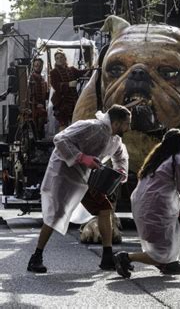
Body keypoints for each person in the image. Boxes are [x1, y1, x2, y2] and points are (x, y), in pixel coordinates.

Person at [27, 105, 131, 273]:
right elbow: (60, 139)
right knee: (55, 215)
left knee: (105, 209)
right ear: (117, 123)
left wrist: (121, 170)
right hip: (64, 174)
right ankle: (36, 257)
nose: (129, 128)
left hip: (86, 178)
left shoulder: (115, 139)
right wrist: (81, 157)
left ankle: (107, 257)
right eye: (127, 124)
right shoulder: (91, 127)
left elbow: (120, 156)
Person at [113, 129, 180, 278]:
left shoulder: (156, 159)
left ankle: (171, 264)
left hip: (143, 205)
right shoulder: (178, 160)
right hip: (158, 208)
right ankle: (126, 257)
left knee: (170, 238)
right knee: (160, 251)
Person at [50, 49, 90, 130]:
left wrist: (91, 69)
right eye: (57, 58)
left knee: (74, 124)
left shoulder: (71, 69)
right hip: (61, 102)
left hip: (73, 101)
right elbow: (55, 85)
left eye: (61, 57)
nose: (59, 59)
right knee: (63, 125)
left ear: (65, 58)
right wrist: (68, 84)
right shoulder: (53, 72)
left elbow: (82, 72)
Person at [29, 58, 48, 139]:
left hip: (42, 104)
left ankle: (40, 139)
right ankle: (37, 139)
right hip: (33, 106)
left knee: (42, 122)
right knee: (40, 119)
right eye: (36, 65)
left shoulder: (42, 78)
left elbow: (43, 93)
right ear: (33, 66)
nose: (38, 67)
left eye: (39, 65)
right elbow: (29, 94)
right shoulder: (31, 78)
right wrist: (36, 104)